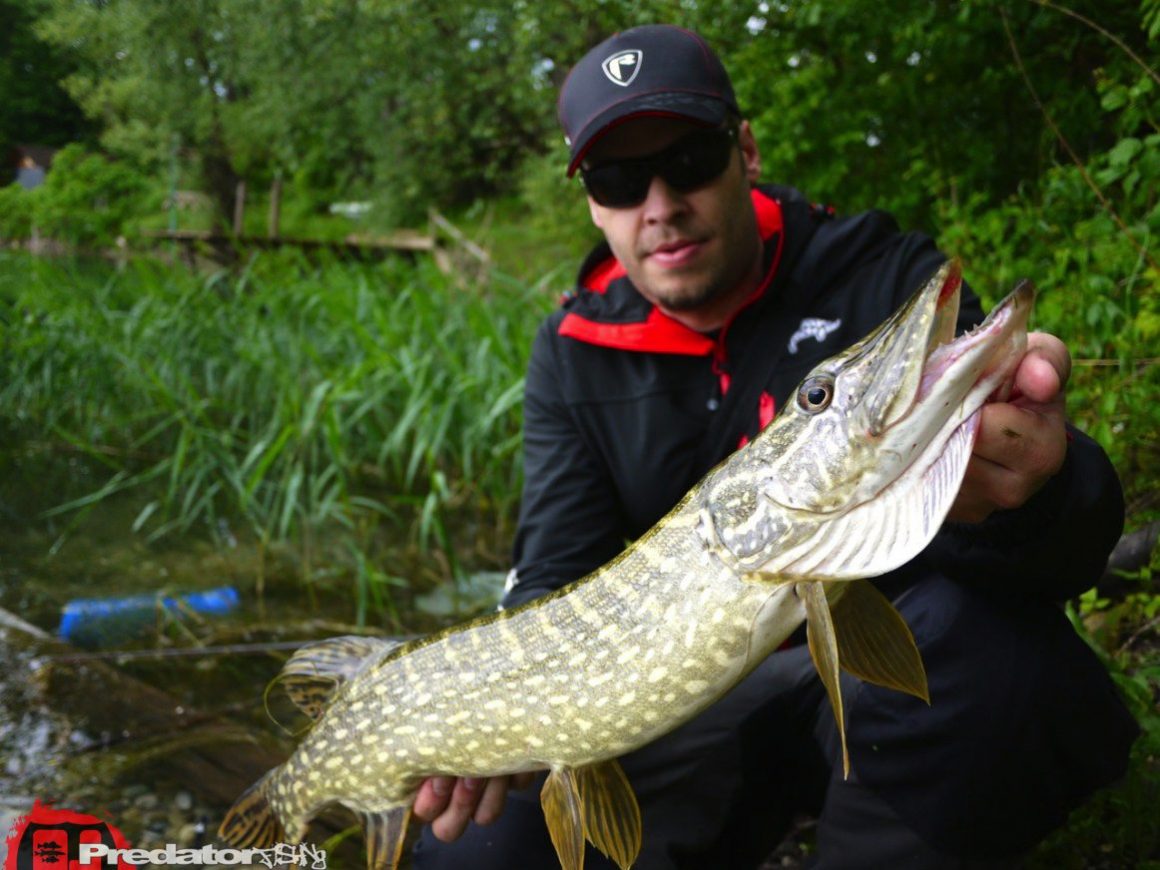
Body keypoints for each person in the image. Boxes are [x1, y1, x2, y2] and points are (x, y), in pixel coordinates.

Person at [411, 24, 1139, 869]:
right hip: (700, 720)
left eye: (688, 159)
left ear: (745, 151)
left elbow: (1062, 560)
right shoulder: (572, 350)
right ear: (593, 205)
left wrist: (1044, 488)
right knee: (478, 848)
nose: (660, 204)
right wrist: (495, 708)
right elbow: (553, 571)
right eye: (618, 180)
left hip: (898, 690)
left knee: (1000, 650)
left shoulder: (880, 273)